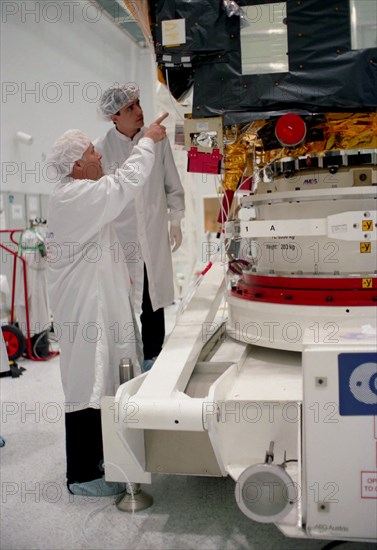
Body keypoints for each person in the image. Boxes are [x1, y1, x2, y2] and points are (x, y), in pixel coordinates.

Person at [46, 117, 167, 497]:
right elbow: (124, 184)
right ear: (76, 166)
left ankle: (109, 463)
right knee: (88, 383)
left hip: (99, 309)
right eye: (90, 152)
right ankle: (82, 476)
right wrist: (146, 142)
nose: (99, 154)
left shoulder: (83, 195)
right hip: (86, 315)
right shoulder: (71, 197)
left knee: (108, 380)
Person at [95, 83, 185, 371]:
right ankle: (125, 361)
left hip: (153, 236)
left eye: (138, 104)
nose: (139, 111)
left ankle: (153, 359)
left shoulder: (158, 141)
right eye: (129, 108)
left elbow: (171, 182)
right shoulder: (101, 149)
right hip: (121, 241)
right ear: (114, 117)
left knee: (152, 301)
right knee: (121, 304)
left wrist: (175, 219)